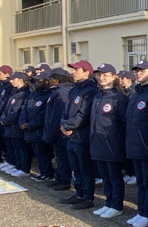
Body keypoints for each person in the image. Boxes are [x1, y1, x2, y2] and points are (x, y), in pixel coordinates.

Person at [123, 60, 148, 227]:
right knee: (140, 182)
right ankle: (141, 211)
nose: (138, 73)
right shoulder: (135, 94)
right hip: (134, 145)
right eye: (136, 71)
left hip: (147, 147)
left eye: (142, 70)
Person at [89, 63, 128, 218]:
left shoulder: (118, 98)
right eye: (100, 75)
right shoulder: (98, 96)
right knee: (105, 177)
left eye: (106, 75)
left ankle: (116, 205)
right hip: (98, 143)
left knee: (115, 177)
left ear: (113, 77)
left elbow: (124, 123)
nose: (102, 78)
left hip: (112, 144)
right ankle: (109, 202)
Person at [59, 60, 98, 210]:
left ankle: (88, 196)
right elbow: (66, 110)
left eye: (77, 70)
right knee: (76, 168)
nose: (73, 72)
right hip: (71, 136)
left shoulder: (90, 91)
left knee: (85, 168)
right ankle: (79, 193)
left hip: (82, 137)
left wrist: (69, 126)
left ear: (86, 72)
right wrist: (63, 124)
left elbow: (84, 115)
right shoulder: (74, 90)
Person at [42, 68, 74, 191]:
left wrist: (50, 134)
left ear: (56, 80)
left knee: (63, 158)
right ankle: (59, 178)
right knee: (60, 158)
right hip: (57, 132)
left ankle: (64, 180)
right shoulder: (58, 91)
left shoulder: (61, 92)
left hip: (60, 132)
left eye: (50, 79)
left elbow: (56, 116)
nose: (49, 81)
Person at [19, 70, 54, 181]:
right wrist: (22, 122)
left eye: (40, 80)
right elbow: (24, 109)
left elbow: (43, 115)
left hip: (39, 130)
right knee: (38, 153)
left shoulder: (49, 95)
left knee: (43, 153)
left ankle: (47, 173)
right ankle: (43, 172)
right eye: (36, 81)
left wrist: (30, 125)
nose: (37, 83)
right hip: (29, 130)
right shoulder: (32, 94)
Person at [0, 72, 31, 177]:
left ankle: (24, 168)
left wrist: (7, 120)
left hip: (16, 126)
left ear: (20, 80)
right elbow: (7, 108)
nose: (11, 81)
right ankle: (16, 164)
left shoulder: (24, 94)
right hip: (10, 126)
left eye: (13, 79)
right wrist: (3, 118)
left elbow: (16, 112)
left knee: (21, 147)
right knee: (14, 146)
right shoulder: (14, 92)